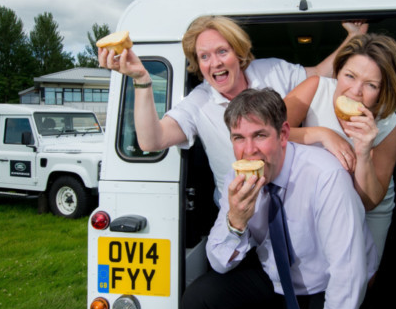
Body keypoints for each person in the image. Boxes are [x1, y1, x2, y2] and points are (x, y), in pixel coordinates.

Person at [182, 88, 378, 309]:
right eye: (238, 138)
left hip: (324, 283)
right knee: (198, 300)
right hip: (276, 274)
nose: (249, 151)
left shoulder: (325, 176)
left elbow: (347, 273)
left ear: (284, 134)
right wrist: (235, 221)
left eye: (260, 135)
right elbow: (220, 262)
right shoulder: (234, 181)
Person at [99, 16, 368, 204]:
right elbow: (150, 140)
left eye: (222, 51)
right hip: (243, 216)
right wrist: (142, 79)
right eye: (204, 56)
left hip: (295, 203)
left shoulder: (270, 69)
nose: (214, 63)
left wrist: (354, 38)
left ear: (238, 52)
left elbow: (320, 74)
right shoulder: (198, 103)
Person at [284, 33, 396, 262]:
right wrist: (321, 133)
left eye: (371, 85)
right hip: (318, 197)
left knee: (364, 274)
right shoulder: (316, 88)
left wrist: (363, 152)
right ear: (337, 72)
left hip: (370, 210)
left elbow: (369, 202)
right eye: (349, 76)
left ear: (383, 90)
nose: (355, 91)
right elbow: (269, 132)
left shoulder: (388, 123)